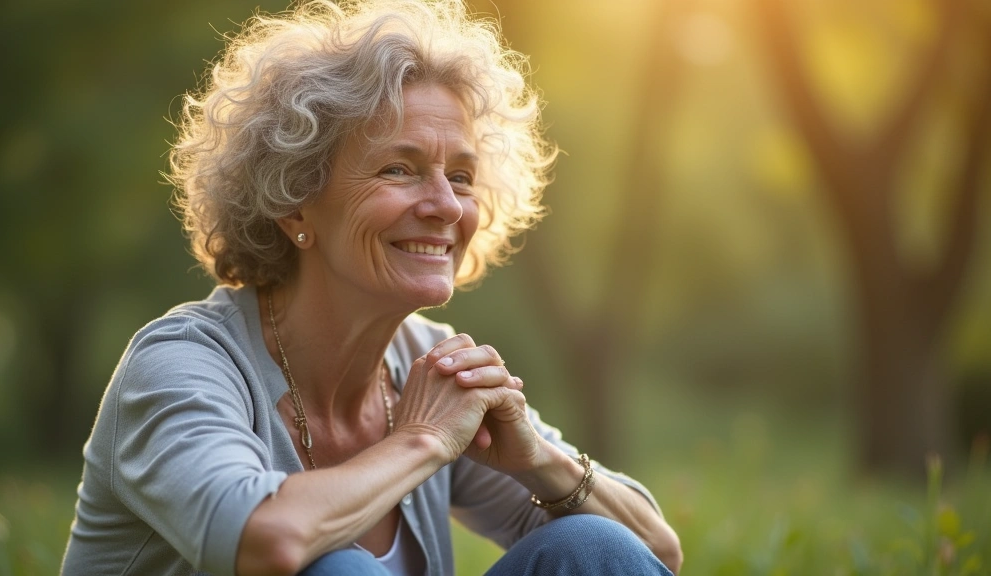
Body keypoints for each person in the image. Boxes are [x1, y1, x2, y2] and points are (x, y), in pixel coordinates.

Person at [60, 0, 682, 574]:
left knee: (591, 544)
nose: (444, 204)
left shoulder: (430, 366)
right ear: (295, 205)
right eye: (399, 169)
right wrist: (422, 442)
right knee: (336, 568)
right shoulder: (179, 364)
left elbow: (655, 552)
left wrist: (539, 462)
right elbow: (268, 541)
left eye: (461, 176)